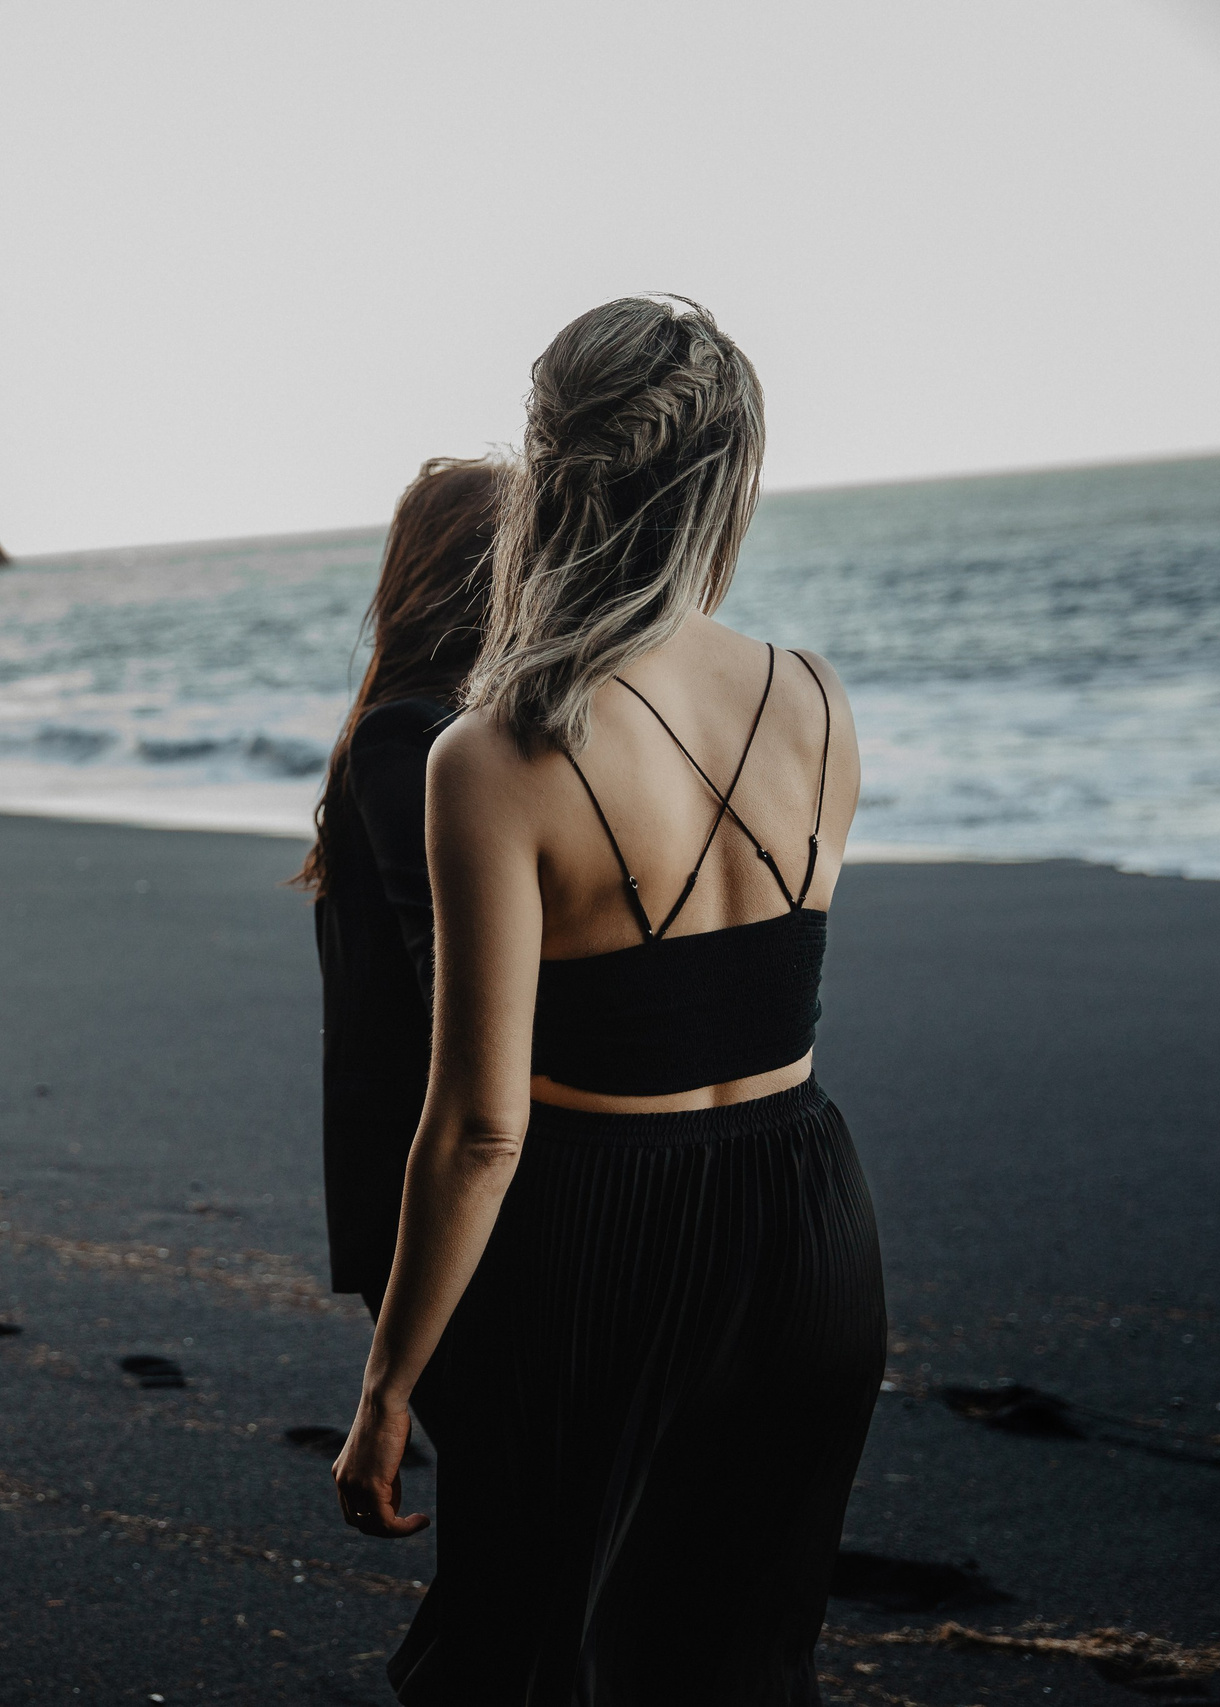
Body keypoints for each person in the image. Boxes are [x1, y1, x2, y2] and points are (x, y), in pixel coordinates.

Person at [331, 296, 885, 1704]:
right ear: (730, 477)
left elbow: (477, 1126)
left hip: (596, 1243)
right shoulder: (816, 697)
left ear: (552, 468)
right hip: (806, 1217)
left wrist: (392, 1380)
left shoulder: (495, 750)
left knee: (537, 1658)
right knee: (748, 1659)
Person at [298, 458, 503, 1318]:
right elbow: (442, 980)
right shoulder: (407, 738)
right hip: (428, 1174)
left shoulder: (445, 729)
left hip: (456, 1157)